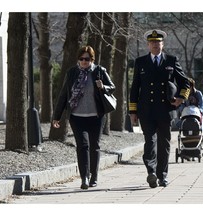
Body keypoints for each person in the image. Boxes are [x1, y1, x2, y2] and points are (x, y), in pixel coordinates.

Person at [129, 29, 190, 188]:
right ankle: (151, 172)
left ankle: (163, 176)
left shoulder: (171, 60)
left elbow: (185, 82)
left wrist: (181, 98)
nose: (155, 45)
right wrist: (133, 111)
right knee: (150, 142)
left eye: (158, 42)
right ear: (148, 45)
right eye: (152, 42)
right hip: (146, 110)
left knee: (164, 144)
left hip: (165, 109)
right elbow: (135, 87)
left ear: (162, 44)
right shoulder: (141, 62)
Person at [52, 46, 116, 190]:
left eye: (87, 59)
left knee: (95, 146)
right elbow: (63, 95)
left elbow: (112, 87)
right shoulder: (72, 73)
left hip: (96, 116)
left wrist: (103, 87)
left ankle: (94, 176)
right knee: (82, 146)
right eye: (81, 59)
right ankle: (84, 177)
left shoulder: (99, 71)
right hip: (77, 117)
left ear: (92, 59)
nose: (84, 61)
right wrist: (57, 116)